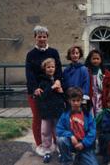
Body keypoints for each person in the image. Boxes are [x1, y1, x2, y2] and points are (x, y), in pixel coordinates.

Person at [25, 25, 63, 156]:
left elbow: (58, 70)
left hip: (53, 91)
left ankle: (58, 144)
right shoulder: (31, 55)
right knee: (38, 118)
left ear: (47, 37)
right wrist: (35, 88)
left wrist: (58, 80)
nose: (42, 39)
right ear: (35, 37)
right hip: (37, 92)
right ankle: (41, 145)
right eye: (39, 36)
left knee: (54, 117)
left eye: (44, 36)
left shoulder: (54, 52)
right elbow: (29, 74)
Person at [56, 87, 98, 165]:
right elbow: (59, 130)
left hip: (84, 146)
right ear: (69, 101)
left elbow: (93, 132)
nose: (75, 103)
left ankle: (79, 157)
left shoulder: (87, 115)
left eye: (78, 100)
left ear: (81, 100)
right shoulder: (65, 115)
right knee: (61, 140)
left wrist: (84, 143)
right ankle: (68, 160)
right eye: (73, 100)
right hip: (72, 144)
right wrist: (71, 136)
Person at [36, 58, 65, 163]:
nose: (50, 69)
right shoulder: (42, 81)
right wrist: (52, 87)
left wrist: (61, 91)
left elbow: (63, 96)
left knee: (59, 131)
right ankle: (47, 151)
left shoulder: (59, 80)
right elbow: (42, 96)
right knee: (45, 131)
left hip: (57, 110)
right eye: (48, 67)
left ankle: (61, 150)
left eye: (52, 67)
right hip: (46, 111)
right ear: (44, 69)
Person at [84, 49, 110, 116]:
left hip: (101, 98)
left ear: (101, 60)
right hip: (90, 98)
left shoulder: (106, 73)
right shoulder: (86, 72)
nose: (95, 61)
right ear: (90, 59)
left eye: (97, 59)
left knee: (100, 116)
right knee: (90, 115)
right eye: (94, 59)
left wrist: (108, 99)